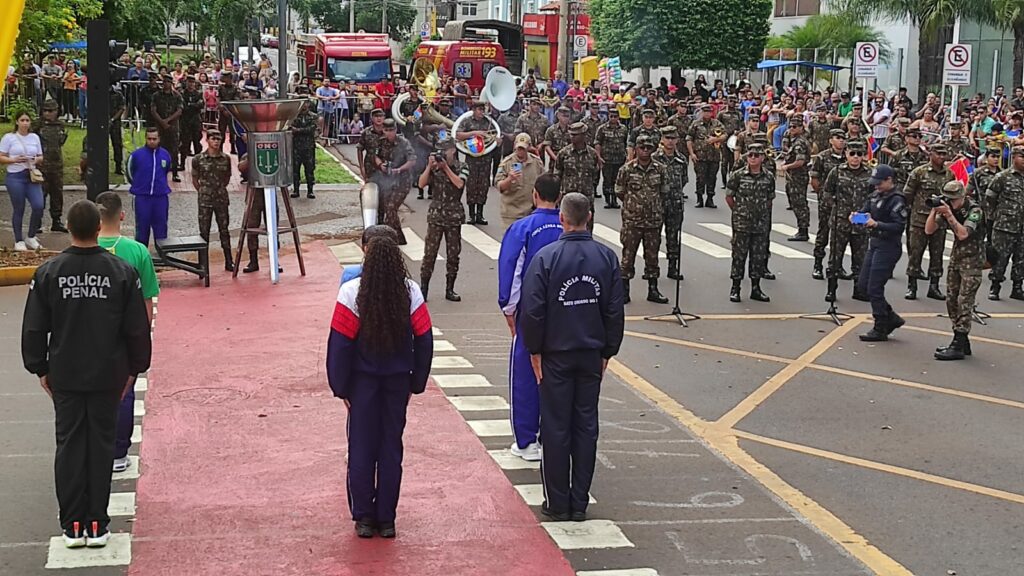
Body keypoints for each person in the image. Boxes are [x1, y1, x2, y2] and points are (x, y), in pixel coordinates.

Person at [21, 199, 152, 549]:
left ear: (69, 227)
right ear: (99, 228)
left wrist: (40, 368)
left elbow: (34, 328)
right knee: (100, 445)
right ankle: (97, 523)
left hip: (65, 373)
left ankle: (72, 525)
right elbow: (136, 329)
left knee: (69, 445)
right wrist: (135, 368)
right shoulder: (122, 272)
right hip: (108, 374)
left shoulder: (48, 273)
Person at [518, 192, 625, 522]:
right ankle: (579, 502)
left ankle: (557, 501)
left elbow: (533, 311)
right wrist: (608, 351)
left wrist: (534, 350)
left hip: (556, 356)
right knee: (585, 426)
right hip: (591, 353)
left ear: (562, 219)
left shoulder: (546, 258)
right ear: (589, 217)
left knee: (555, 427)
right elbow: (614, 310)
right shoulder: (607, 258)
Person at [326, 225, 433, 539]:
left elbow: (340, 344)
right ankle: (387, 519)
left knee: (360, 448)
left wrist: (340, 387)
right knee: (390, 447)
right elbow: (424, 339)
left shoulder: (352, 293)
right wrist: (417, 382)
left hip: (362, 383)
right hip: (398, 381)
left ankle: (363, 518)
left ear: (364, 250)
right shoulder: (410, 290)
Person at [497, 174, 563, 462]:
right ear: (559, 197)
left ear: (535, 195)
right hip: (566, 312)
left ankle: (526, 442)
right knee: (559, 374)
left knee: (525, 375)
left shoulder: (523, 228)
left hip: (531, 312)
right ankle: (555, 438)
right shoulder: (568, 224)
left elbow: (510, 271)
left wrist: (509, 311)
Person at [94, 192, 160, 472]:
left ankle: (94, 446)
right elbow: (147, 298)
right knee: (124, 390)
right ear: (122, 215)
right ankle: (120, 452)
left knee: (92, 393)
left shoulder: (84, 247)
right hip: (123, 335)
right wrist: (143, 336)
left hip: (90, 333)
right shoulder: (137, 251)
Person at [928, 181, 986, 360]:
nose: (950, 203)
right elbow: (929, 230)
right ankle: (962, 341)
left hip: (972, 261)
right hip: (956, 260)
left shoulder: (974, 211)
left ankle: (958, 342)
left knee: (964, 301)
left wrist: (948, 214)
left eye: (953, 200)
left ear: (963, 196)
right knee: (951, 300)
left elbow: (963, 234)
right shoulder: (948, 208)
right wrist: (935, 209)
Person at [854, 165, 907, 342]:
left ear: (889, 180)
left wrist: (876, 224)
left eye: (879, 183)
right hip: (875, 243)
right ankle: (890, 316)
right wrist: (856, 217)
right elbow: (864, 215)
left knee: (875, 287)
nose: (876, 186)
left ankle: (880, 325)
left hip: (888, 246)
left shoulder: (897, 200)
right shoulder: (875, 196)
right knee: (862, 286)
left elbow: (898, 226)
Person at [615, 135, 669, 304]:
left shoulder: (660, 169)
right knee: (628, 256)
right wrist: (634, 205)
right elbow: (620, 191)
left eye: (648, 148)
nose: (645, 150)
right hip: (633, 220)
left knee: (652, 256)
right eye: (642, 147)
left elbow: (664, 191)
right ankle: (624, 290)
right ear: (636, 149)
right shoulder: (627, 169)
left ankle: (653, 289)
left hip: (653, 221)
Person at [418, 138, 467, 302]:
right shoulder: (435, 169)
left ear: (452, 150)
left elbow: (459, 184)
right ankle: (424, 288)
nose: (441, 155)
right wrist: (428, 167)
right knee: (429, 254)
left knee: (453, 254)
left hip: (453, 216)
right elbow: (421, 184)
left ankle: (450, 288)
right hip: (436, 216)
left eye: (444, 151)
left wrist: (446, 168)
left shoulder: (462, 167)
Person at [903, 143, 954, 300]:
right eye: (938, 153)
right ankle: (912, 286)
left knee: (937, 254)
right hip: (920, 219)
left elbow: (952, 197)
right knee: (916, 253)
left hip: (939, 221)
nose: (941, 157)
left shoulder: (949, 175)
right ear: (930, 154)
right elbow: (907, 194)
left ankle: (934, 286)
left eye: (943, 154)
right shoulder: (919, 172)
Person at [725, 143, 774, 303]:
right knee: (739, 256)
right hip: (742, 223)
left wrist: (760, 214)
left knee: (758, 257)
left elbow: (769, 200)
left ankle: (756, 288)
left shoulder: (768, 177)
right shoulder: (738, 175)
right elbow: (729, 197)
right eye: (750, 155)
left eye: (756, 155)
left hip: (760, 224)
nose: (753, 158)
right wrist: (740, 211)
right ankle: (735, 287)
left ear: (762, 158)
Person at [824, 141, 872, 302]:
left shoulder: (869, 174)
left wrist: (867, 213)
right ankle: (831, 289)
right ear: (846, 154)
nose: (856, 158)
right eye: (852, 154)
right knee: (835, 258)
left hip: (861, 221)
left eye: (859, 154)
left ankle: (859, 289)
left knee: (861, 258)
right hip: (841, 221)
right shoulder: (837, 172)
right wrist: (836, 207)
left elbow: (875, 196)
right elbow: (827, 192)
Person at [1, 111, 46, 251]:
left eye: (27, 120)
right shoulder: (9, 138)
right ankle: (18, 240)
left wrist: (34, 159)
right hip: (15, 176)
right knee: (19, 208)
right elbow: (1, 157)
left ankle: (31, 236)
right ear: (17, 122)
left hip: (31, 175)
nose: (25, 123)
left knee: (39, 205)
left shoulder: (34, 137)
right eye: (22, 120)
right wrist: (13, 159)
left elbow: (40, 156)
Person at [191, 129, 234, 271]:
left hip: (221, 199)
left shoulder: (225, 159)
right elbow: (195, 179)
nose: (216, 141)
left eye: (218, 139)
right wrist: (204, 191)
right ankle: (203, 264)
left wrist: (218, 189)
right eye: (213, 139)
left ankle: (229, 261)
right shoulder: (198, 159)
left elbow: (227, 177)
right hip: (205, 200)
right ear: (207, 140)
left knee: (224, 230)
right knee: (204, 233)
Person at [984, 146, 1024, 300]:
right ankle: (995, 287)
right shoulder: (1002, 177)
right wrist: (996, 217)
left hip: (1022, 228)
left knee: (1021, 259)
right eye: (1022, 157)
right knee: (1000, 258)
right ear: (1014, 157)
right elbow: (990, 198)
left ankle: (1017, 287)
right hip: (1004, 226)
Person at [370, 118, 416, 244]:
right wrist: (381, 165)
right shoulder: (380, 142)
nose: (389, 133)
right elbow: (375, 156)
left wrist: (400, 169)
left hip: (402, 180)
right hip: (387, 180)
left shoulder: (403, 142)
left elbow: (412, 160)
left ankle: (395, 237)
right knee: (386, 208)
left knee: (391, 207)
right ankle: (395, 236)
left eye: (391, 130)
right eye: (386, 130)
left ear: (395, 130)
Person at [809, 129, 847, 279]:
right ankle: (818, 264)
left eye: (843, 138)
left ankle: (838, 266)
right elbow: (815, 179)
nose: (841, 141)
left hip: (844, 203)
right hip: (827, 202)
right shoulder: (822, 157)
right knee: (823, 232)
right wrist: (823, 195)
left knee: (842, 236)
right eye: (838, 138)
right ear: (831, 140)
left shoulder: (848, 156)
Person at [126, 127, 173, 247]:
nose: (152, 141)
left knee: (161, 227)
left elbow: (166, 170)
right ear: (146, 139)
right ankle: (141, 255)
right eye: (149, 139)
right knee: (142, 227)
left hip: (160, 197)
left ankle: (163, 255)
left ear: (159, 139)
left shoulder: (165, 155)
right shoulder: (136, 155)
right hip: (142, 197)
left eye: (154, 139)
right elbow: (129, 172)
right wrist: (139, 186)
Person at [652, 126, 687, 280]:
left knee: (674, 237)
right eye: (667, 138)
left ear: (677, 140)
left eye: (673, 138)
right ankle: (652, 269)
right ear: (662, 140)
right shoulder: (653, 158)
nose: (670, 141)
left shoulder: (681, 160)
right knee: (654, 238)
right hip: (658, 204)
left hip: (675, 204)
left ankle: (673, 268)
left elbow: (684, 180)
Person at [552, 122, 600, 230]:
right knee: (566, 231)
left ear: (583, 135)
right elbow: (557, 175)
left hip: (586, 198)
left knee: (587, 231)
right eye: (571, 134)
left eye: (575, 135)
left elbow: (595, 175)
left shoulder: (592, 154)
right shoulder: (564, 153)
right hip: (568, 199)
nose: (572, 137)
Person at [495, 133, 545, 228]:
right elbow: (500, 187)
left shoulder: (537, 163)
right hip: (511, 213)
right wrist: (509, 179)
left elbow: (543, 184)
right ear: (514, 147)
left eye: (523, 148)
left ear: (529, 147)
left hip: (530, 212)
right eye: (519, 148)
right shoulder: (507, 163)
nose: (520, 151)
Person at [457, 101, 495, 225]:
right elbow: (458, 135)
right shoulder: (467, 121)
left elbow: (494, 135)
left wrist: (497, 141)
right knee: (471, 185)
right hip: (472, 158)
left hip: (485, 158)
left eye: (482, 109)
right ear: (473, 110)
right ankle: (471, 214)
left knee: (483, 186)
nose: (481, 112)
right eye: (479, 109)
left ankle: (480, 214)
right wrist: (474, 133)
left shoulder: (488, 122)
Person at [34, 100, 69, 232]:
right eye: (45, 111)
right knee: (40, 195)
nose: (48, 114)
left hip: (56, 165)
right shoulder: (37, 125)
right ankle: (37, 222)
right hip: (42, 165)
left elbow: (60, 142)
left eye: (51, 111)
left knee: (57, 194)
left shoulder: (60, 125)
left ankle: (56, 221)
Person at [688, 104, 727, 208]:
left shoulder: (717, 123)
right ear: (701, 112)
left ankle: (710, 199)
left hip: (714, 156)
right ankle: (699, 199)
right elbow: (689, 138)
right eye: (705, 112)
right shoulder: (696, 124)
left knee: (712, 178)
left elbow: (725, 135)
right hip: (700, 156)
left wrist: (716, 139)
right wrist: (692, 153)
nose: (707, 114)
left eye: (709, 112)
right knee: (700, 178)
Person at [779, 120, 812, 241]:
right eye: (790, 126)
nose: (792, 129)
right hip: (794, 176)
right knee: (796, 203)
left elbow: (800, 161)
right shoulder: (796, 141)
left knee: (800, 204)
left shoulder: (799, 143)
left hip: (798, 176)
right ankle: (802, 229)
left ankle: (803, 231)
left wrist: (787, 166)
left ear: (801, 128)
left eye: (795, 127)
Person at [151, 75, 183, 182]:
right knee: (158, 148)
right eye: (164, 82)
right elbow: (153, 110)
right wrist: (162, 121)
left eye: (168, 82)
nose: (166, 84)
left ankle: (174, 173)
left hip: (173, 126)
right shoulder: (156, 95)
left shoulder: (177, 96)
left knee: (174, 150)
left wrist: (168, 120)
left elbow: (179, 111)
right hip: (160, 126)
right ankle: (159, 172)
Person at [594, 110, 628, 208]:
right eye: (611, 116)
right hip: (607, 159)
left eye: (615, 116)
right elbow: (597, 143)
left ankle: (614, 200)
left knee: (617, 181)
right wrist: (599, 157)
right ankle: (608, 200)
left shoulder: (623, 129)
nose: (613, 118)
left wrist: (626, 156)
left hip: (619, 159)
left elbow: (625, 142)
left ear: (618, 117)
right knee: (607, 181)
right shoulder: (602, 128)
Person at [291, 99, 319, 199]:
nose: (304, 106)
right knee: (295, 170)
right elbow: (291, 128)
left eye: (305, 103)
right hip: (296, 147)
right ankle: (296, 190)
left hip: (308, 147)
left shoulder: (313, 116)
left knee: (309, 169)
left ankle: (310, 190)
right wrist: (298, 131)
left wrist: (298, 130)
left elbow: (311, 129)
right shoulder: (294, 116)